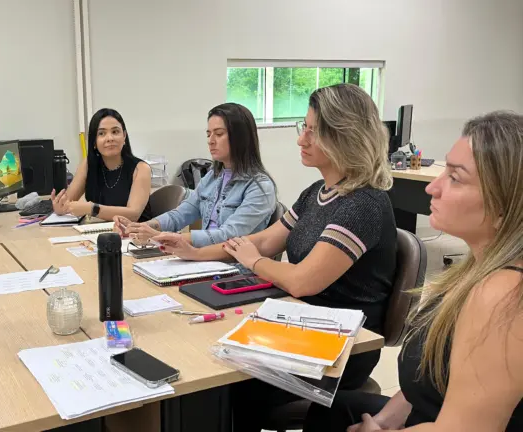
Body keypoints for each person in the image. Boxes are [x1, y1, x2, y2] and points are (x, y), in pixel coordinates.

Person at [155, 84, 397, 430]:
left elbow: (301, 279)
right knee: (214, 362)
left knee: (226, 387)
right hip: (301, 322)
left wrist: (254, 262)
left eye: (313, 131)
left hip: (343, 346)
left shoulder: (363, 204)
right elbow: (266, 240)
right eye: (305, 128)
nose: (302, 139)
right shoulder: (317, 192)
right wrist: (195, 253)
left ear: (343, 137)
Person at [303, 111, 523, 432]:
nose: (433, 187)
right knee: (332, 409)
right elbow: (432, 377)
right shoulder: (476, 269)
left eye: (455, 177)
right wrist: (381, 422)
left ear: (507, 206)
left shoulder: (502, 296)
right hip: (429, 413)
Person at [114, 102, 277, 247]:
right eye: (208, 134)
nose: (211, 140)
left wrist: (163, 237)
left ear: (240, 138)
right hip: (203, 259)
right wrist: (143, 228)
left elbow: (228, 235)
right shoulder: (213, 176)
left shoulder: (260, 187)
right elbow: (181, 214)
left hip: (234, 269)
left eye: (219, 134)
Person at [51, 108, 152, 222]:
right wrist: (60, 207)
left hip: (135, 236)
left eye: (115, 132)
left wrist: (92, 209)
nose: (110, 138)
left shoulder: (141, 169)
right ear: (94, 141)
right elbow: (67, 202)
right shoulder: (88, 164)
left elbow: (133, 215)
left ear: (124, 136)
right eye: (102, 133)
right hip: (99, 234)